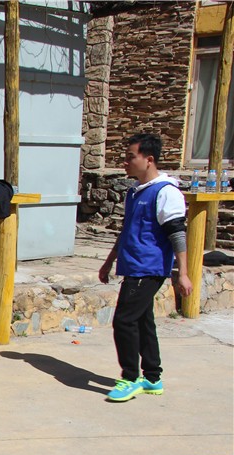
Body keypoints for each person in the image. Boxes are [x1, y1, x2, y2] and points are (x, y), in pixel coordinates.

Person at [99, 133, 191, 402]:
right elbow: (127, 231)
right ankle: (152, 377)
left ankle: (130, 378)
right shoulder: (134, 192)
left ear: (149, 160)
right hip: (133, 265)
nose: (125, 162)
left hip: (148, 268)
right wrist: (109, 261)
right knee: (142, 320)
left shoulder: (165, 192)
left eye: (131, 157)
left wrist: (182, 273)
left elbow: (177, 233)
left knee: (124, 320)